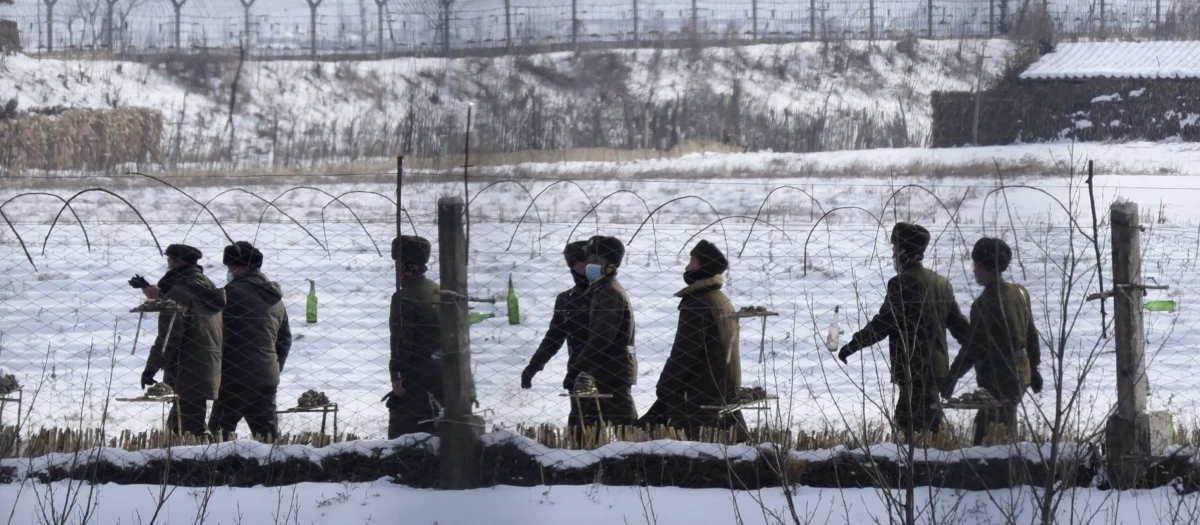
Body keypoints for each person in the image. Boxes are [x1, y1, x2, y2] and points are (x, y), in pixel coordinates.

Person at [837, 223, 970, 441]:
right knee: (925, 424)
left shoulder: (902, 283)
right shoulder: (941, 283)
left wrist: (854, 344)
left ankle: (922, 469)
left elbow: (885, 322)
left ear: (903, 251)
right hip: (937, 368)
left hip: (913, 368)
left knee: (913, 426)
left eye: (895, 249)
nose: (892, 254)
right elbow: (959, 326)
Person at [640, 240, 745, 440]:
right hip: (721, 389)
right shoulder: (721, 299)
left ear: (704, 265)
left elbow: (685, 352)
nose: (687, 267)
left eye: (692, 261)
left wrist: (666, 386)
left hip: (697, 394)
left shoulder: (697, 302)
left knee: (687, 453)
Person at [941, 238, 1043, 446]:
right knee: (1001, 425)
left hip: (998, 378)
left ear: (985, 268)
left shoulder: (984, 304)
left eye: (976, 265)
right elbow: (1031, 333)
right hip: (1021, 373)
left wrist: (952, 377)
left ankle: (997, 472)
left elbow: (973, 348)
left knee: (990, 435)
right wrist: (1034, 368)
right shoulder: (1020, 293)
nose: (974, 270)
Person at [131, 244, 227, 438]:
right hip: (207, 363)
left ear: (177, 262)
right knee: (180, 427)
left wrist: (152, 367)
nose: (167, 263)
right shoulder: (206, 286)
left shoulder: (179, 291)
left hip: (186, 367)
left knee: (190, 431)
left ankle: (202, 462)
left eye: (169, 259)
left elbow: (169, 336)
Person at [208, 241, 292, 441]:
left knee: (218, 436)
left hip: (234, 374)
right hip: (266, 375)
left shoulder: (229, 294)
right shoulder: (276, 299)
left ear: (239, 266)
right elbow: (285, 340)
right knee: (268, 437)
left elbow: (212, 330)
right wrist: (272, 366)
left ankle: (219, 471)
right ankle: (272, 470)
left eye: (230, 267)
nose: (229, 271)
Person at [520, 241, 591, 423]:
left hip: (612, 373)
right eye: (579, 264)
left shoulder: (610, 294)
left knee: (624, 430)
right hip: (578, 375)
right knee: (581, 428)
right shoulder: (566, 299)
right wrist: (534, 366)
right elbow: (554, 336)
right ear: (572, 267)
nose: (585, 269)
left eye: (589, 263)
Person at [572, 235, 638, 427]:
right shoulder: (601, 290)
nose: (590, 264)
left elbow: (602, 336)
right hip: (606, 368)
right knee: (589, 422)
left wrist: (580, 366)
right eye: (589, 259)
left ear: (611, 264)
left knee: (625, 426)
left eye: (596, 259)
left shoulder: (610, 292)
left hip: (613, 370)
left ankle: (636, 455)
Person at [385, 235, 443, 439]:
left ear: (404, 266)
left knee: (403, 441)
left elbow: (402, 341)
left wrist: (398, 378)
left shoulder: (404, 297)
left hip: (416, 379)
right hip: (443, 376)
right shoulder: (437, 290)